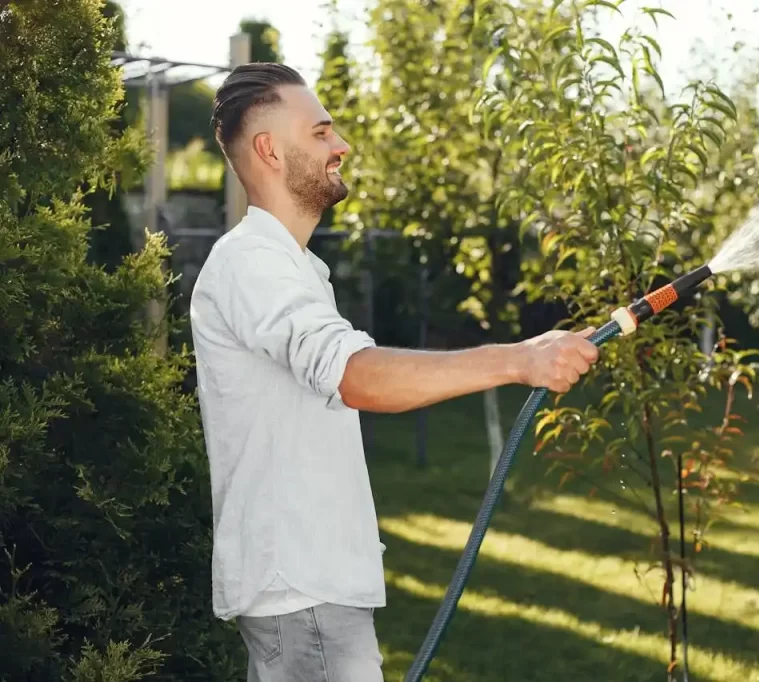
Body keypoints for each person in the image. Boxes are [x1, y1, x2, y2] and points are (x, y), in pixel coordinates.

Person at [189, 62, 600, 682]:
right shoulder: (252, 263)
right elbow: (356, 376)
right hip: (303, 592)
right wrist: (519, 358)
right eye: (321, 132)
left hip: (309, 590)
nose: (342, 145)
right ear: (269, 150)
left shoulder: (293, 268)